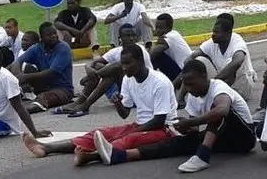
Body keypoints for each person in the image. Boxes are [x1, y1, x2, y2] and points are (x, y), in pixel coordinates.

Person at [23, 43, 178, 166]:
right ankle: (47, 148)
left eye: (128, 64)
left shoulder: (160, 82)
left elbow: (159, 120)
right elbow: (125, 113)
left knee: (125, 140)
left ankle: (90, 157)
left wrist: (129, 132)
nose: (123, 68)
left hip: (164, 129)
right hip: (141, 125)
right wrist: (118, 104)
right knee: (99, 133)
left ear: (140, 61)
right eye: (122, 64)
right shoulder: (128, 79)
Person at [91, 59, 256, 173]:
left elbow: (222, 111)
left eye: (192, 83)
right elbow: (194, 129)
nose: (189, 88)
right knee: (175, 142)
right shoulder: (192, 98)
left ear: (205, 76)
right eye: (186, 84)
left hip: (244, 137)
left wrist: (193, 121)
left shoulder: (218, 87)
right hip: (223, 140)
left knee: (216, 111)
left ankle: (202, 156)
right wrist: (185, 128)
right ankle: (120, 155)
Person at [60, 25, 152, 117]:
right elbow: (94, 63)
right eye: (127, 36)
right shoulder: (116, 51)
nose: (131, 38)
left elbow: (119, 65)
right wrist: (88, 68)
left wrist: (89, 77)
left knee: (115, 70)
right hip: (123, 91)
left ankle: (84, 105)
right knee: (99, 65)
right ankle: (81, 102)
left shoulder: (140, 50)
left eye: (133, 35)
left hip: (141, 94)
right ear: (120, 38)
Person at [180, 18, 256, 101]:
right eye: (213, 32)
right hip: (222, 84)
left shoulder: (237, 42)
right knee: (198, 60)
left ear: (228, 34)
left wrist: (213, 82)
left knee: (231, 63)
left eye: (217, 32)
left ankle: (216, 95)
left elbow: (237, 61)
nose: (213, 35)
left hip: (241, 88)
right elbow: (191, 57)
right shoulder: (213, 42)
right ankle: (182, 98)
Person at [10, 23, 74, 113]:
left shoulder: (63, 48)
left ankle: (23, 111)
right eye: (49, 35)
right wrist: (18, 76)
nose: (53, 36)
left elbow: (52, 72)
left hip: (63, 89)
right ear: (41, 37)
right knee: (25, 67)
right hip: (44, 86)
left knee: (43, 97)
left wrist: (24, 77)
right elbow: (17, 62)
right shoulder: (37, 48)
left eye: (54, 33)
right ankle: (16, 94)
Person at [148, 14, 191, 81]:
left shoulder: (169, 37)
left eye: (161, 28)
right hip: (185, 70)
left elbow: (152, 53)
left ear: (169, 28)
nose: (158, 30)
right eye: (156, 27)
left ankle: (149, 80)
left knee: (158, 56)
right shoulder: (174, 33)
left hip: (183, 74)